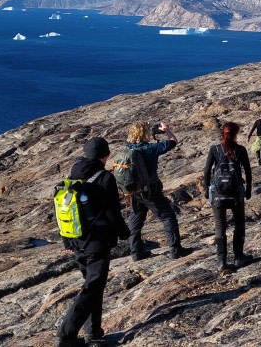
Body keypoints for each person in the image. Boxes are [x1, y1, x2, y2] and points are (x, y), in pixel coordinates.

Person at [58, 137, 130, 347]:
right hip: (97, 241)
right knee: (92, 288)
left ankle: (93, 332)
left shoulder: (74, 173)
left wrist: (67, 241)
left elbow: (65, 204)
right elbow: (112, 213)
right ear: (105, 156)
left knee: (93, 286)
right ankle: (66, 334)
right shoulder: (105, 178)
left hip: (76, 239)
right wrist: (125, 233)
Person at [126, 121, 190, 261]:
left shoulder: (128, 148)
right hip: (150, 192)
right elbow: (173, 142)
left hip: (135, 192)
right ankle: (175, 250)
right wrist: (166, 130)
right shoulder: (150, 149)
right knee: (168, 217)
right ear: (145, 134)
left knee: (135, 221)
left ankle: (136, 252)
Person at [203, 121, 254, 272]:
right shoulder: (240, 150)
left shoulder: (215, 149)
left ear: (222, 133)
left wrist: (207, 190)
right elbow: (248, 172)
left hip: (218, 195)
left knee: (220, 226)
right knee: (239, 224)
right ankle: (239, 257)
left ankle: (221, 262)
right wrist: (248, 189)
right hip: (236, 194)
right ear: (236, 134)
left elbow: (206, 172)